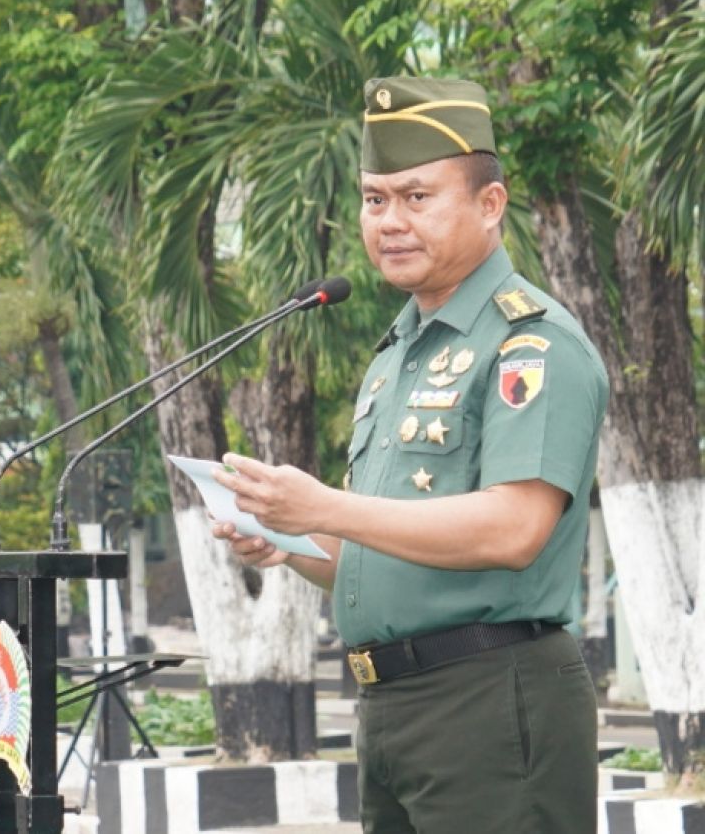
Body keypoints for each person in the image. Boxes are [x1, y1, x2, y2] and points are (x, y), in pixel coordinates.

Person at [211, 76, 608, 833]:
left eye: (416, 197)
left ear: (490, 205)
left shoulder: (529, 342)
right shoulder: (398, 355)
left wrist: (327, 505)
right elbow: (379, 552)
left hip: (492, 699)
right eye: (373, 198)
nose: (389, 221)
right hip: (391, 707)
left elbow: (513, 528)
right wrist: (289, 540)